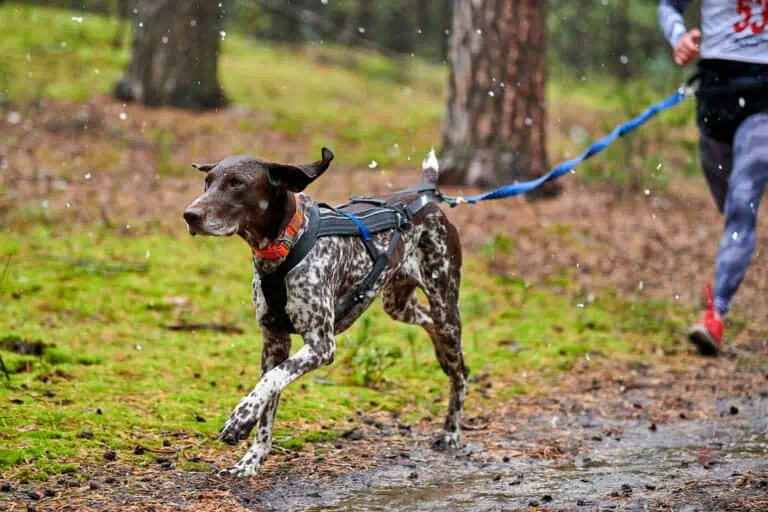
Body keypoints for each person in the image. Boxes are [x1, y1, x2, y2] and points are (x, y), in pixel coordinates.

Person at [658, 0, 768, 355]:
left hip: (764, 94)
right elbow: (668, 6)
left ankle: (716, 313)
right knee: (730, 206)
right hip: (716, 93)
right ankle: (730, 265)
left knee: (742, 201)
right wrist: (679, 37)